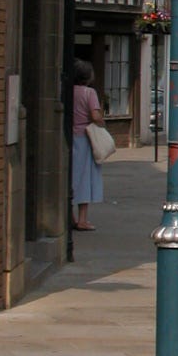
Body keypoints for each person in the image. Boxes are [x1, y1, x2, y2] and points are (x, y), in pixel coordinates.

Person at [71, 59, 104, 231]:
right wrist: (102, 123)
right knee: (84, 178)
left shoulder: (68, 91)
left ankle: (70, 217)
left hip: (69, 136)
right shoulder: (89, 93)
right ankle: (82, 219)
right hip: (85, 137)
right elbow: (95, 116)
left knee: (70, 176)